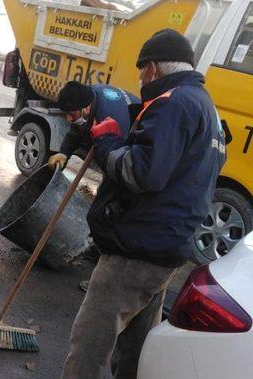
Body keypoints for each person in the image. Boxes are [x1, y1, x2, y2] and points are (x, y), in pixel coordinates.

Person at [62, 29, 226, 378]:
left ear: (152, 68)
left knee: (90, 343)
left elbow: (142, 173)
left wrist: (107, 142)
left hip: (138, 247)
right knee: (137, 346)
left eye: (142, 70)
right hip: (169, 246)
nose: (140, 78)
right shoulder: (206, 107)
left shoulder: (172, 103)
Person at [48, 81, 139, 171]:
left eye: (70, 114)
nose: (68, 119)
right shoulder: (85, 95)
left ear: (86, 108)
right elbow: (76, 130)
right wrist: (64, 153)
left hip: (134, 132)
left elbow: (115, 158)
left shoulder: (110, 117)